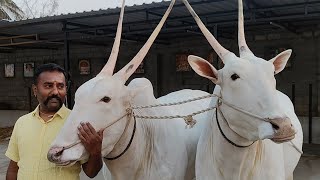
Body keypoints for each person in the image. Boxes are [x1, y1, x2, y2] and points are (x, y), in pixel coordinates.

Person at [5, 63, 103, 180]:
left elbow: (91, 173)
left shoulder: (78, 123)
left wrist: (96, 151)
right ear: (35, 90)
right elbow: (13, 168)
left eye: (61, 86)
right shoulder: (22, 123)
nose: (56, 92)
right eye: (48, 86)